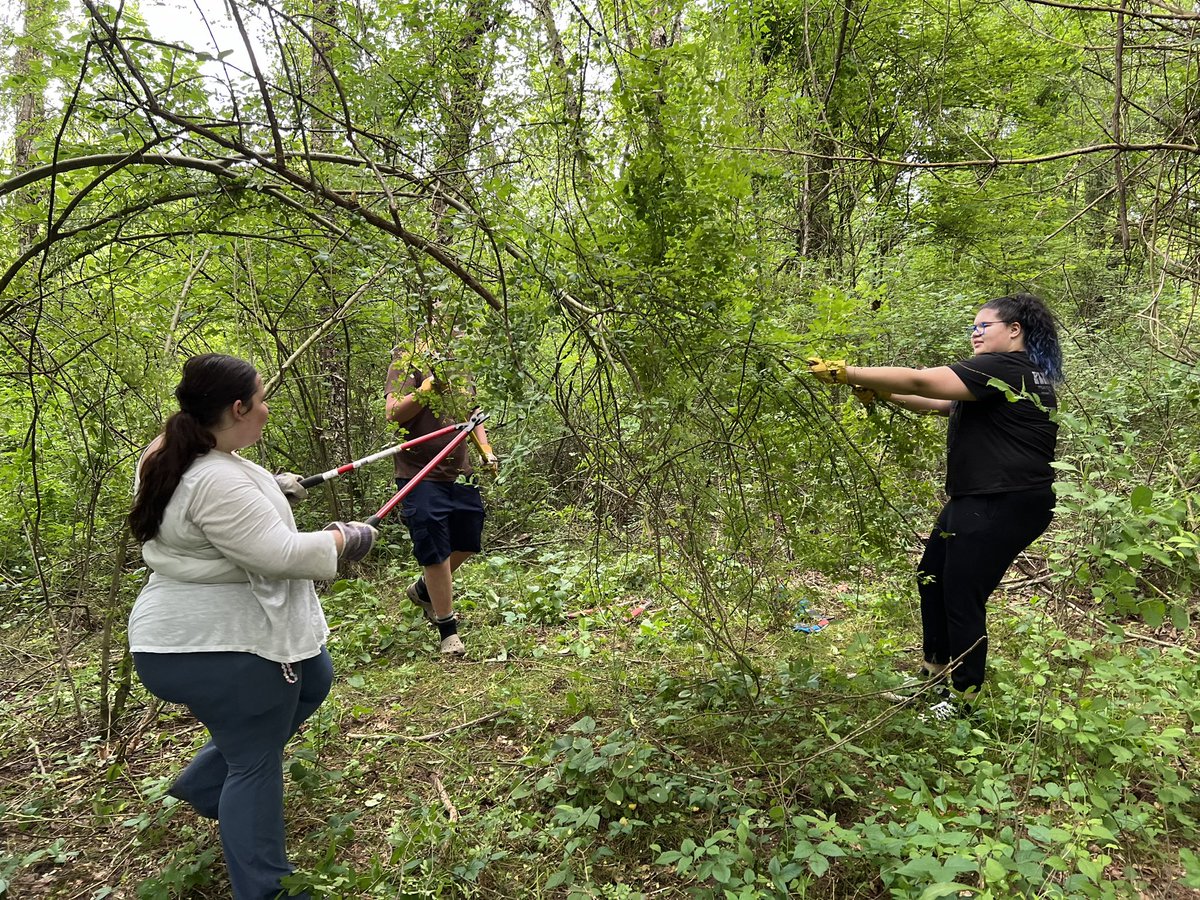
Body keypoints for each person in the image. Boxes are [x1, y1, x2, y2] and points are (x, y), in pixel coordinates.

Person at [127, 353, 377, 900]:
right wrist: (344, 537)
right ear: (237, 408)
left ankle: (204, 783)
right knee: (254, 762)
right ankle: (267, 889)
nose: (267, 408)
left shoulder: (175, 450)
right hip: (213, 646)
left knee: (314, 677)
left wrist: (272, 488)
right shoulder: (215, 480)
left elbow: (215, 516)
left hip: (184, 637)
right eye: (261, 399)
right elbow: (279, 555)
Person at [809, 292, 1062, 718]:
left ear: (1014, 330)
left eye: (984, 326)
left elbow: (922, 379)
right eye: (973, 326)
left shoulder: (1005, 368)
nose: (975, 333)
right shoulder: (1015, 376)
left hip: (1000, 500)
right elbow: (935, 401)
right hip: (983, 498)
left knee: (961, 594)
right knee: (932, 577)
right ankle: (935, 673)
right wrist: (877, 391)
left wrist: (845, 370)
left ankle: (963, 701)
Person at [385, 336, 496, 657]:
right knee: (434, 545)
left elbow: (474, 413)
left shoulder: (461, 363)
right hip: (418, 472)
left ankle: (422, 591)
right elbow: (392, 412)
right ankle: (448, 629)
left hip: (459, 470)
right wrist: (428, 388)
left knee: (468, 539)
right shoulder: (406, 358)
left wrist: (486, 450)